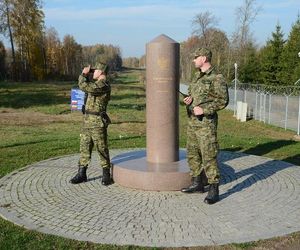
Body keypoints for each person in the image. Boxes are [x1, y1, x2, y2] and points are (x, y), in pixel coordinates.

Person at [181, 48, 228, 204]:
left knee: (208, 155)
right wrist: (188, 100)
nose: (193, 60)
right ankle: (197, 183)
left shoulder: (217, 77)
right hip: (192, 123)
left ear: (204, 58)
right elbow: (194, 96)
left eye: (196, 57)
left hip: (206, 124)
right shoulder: (196, 77)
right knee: (193, 153)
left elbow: (223, 100)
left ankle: (214, 188)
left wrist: (204, 110)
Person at [70, 62, 112, 186]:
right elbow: (87, 89)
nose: (93, 72)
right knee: (84, 147)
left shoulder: (103, 85)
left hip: (98, 122)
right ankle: (82, 173)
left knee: (101, 148)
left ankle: (106, 174)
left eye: (95, 70)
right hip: (87, 121)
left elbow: (84, 86)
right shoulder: (95, 84)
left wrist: (83, 74)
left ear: (102, 72)